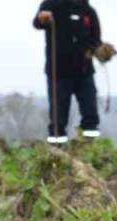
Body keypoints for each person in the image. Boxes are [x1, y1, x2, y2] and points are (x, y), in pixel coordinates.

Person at [33, 0, 103, 145]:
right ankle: (57, 153)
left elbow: (96, 40)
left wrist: (101, 51)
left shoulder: (89, 12)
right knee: (58, 119)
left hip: (84, 73)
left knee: (90, 113)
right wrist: (43, 17)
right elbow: (38, 23)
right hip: (58, 73)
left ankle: (88, 148)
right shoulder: (51, 5)